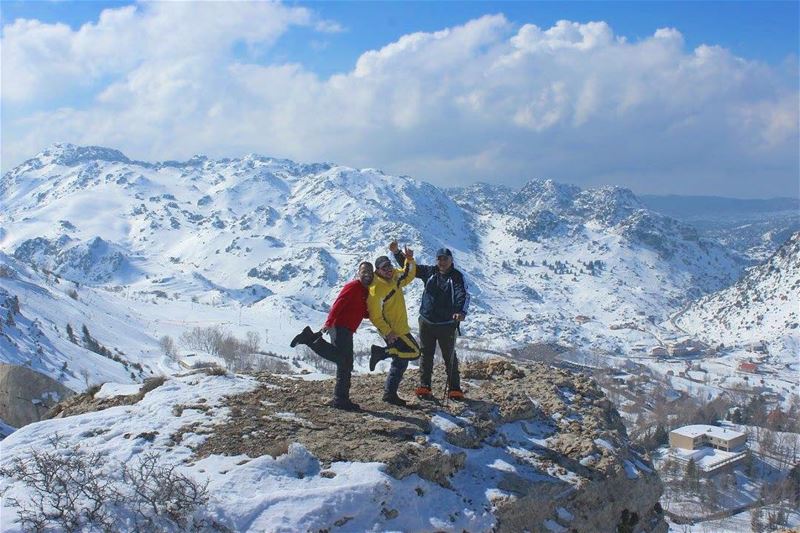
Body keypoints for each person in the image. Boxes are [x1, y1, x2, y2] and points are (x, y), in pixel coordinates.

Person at [289, 261, 374, 411]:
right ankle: (310, 339)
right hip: (339, 327)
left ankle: (340, 399)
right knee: (344, 362)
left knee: (345, 363)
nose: (367, 273)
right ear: (358, 273)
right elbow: (338, 304)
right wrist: (329, 322)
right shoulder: (353, 286)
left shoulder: (365, 291)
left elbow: (360, 311)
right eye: (364, 271)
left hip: (347, 329)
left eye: (369, 271)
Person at [391, 242, 469, 401]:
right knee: (426, 354)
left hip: (447, 324)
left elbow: (463, 294)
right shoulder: (430, 272)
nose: (442, 262)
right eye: (439, 259)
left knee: (449, 357)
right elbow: (411, 270)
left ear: (451, 260)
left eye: (445, 259)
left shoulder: (457, 277)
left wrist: (460, 312)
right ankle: (424, 386)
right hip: (426, 321)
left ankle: (455, 389)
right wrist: (398, 253)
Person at [367, 249, 420, 407]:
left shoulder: (395, 276)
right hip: (393, 330)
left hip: (401, 327)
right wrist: (388, 332)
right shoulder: (376, 289)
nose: (389, 270)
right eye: (384, 268)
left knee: (400, 361)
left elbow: (408, 275)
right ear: (378, 271)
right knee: (415, 352)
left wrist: (409, 259)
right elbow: (375, 316)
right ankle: (381, 352)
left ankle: (389, 394)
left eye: (389, 266)